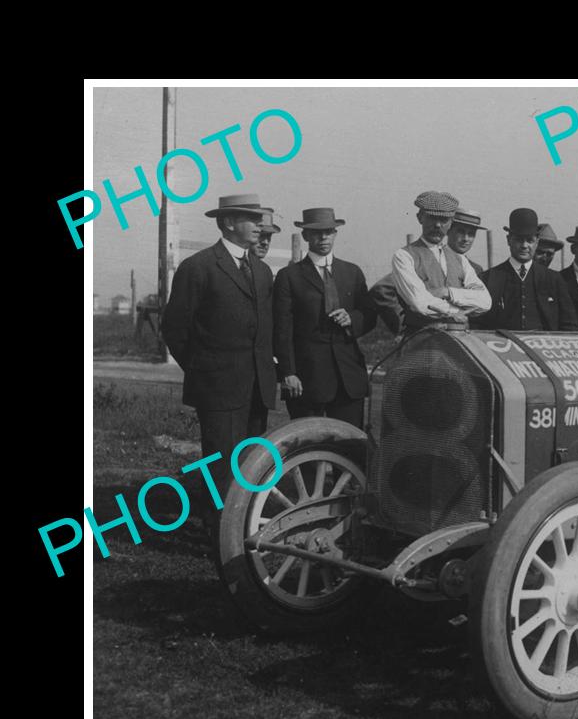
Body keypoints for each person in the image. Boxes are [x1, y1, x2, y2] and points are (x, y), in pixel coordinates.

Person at [162, 194, 277, 501]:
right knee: (221, 468)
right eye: (251, 219)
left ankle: (241, 533)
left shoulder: (263, 272)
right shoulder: (199, 267)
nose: (259, 225)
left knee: (252, 466)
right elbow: (174, 329)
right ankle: (216, 536)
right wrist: (206, 370)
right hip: (218, 388)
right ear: (228, 223)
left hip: (257, 390)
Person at [273, 207, 377, 429]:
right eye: (316, 233)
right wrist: (288, 373)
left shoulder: (352, 273)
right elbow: (282, 330)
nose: (323, 238)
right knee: (309, 446)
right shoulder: (289, 277)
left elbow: (370, 315)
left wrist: (352, 319)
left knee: (349, 450)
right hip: (307, 380)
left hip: (348, 379)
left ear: (335, 234)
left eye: (328, 232)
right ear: (305, 236)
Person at [370, 190, 491, 333]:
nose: (438, 225)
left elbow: (485, 302)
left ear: (451, 222)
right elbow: (420, 303)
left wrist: (447, 292)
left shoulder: (460, 259)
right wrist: (457, 311)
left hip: (460, 340)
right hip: (422, 341)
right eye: (432, 218)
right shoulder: (404, 256)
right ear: (420, 218)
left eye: (444, 220)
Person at [476, 208, 578, 331]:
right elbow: (478, 324)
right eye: (519, 239)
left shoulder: (554, 279)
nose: (524, 246)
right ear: (509, 240)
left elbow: (569, 324)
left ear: (536, 242)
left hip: (542, 348)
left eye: (529, 240)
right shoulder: (489, 278)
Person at [448, 207, 487, 278]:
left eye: (471, 234)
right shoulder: (434, 260)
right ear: (448, 230)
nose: (466, 239)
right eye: (461, 232)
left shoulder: (476, 270)